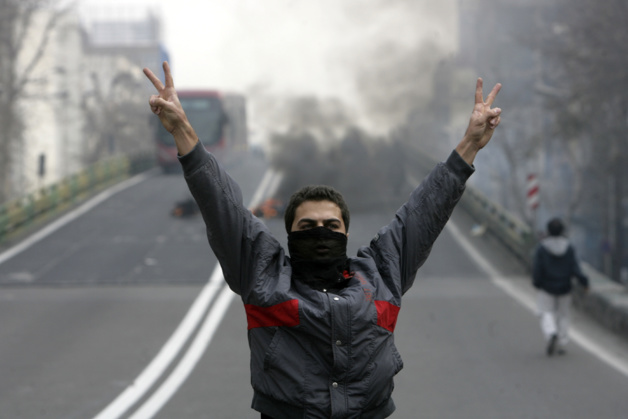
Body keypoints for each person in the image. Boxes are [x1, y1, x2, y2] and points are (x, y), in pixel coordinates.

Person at [143, 61, 502, 419]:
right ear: (289, 234)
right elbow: (222, 208)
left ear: (346, 232)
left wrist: (469, 145)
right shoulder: (263, 276)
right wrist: (183, 132)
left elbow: (423, 214)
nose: (320, 232)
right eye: (308, 225)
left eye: (331, 225)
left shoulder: (380, 274)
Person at [533, 218, 589, 356]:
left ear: (548, 231)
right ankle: (562, 342)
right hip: (565, 287)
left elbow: (537, 268)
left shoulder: (542, 248)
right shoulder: (569, 247)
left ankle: (551, 333)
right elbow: (575, 267)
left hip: (546, 286)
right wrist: (584, 282)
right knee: (564, 315)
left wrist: (537, 282)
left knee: (545, 312)